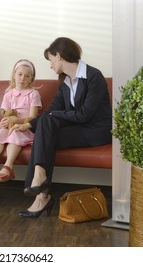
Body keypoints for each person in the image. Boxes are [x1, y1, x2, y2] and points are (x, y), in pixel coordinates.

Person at [9, 37, 112, 218]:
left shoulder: (94, 76)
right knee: (46, 126)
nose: (50, 65)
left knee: (47, 132)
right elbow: (53, 111)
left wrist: (51, 117)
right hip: (77, 128)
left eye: (50, 60)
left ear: (59, 56)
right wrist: (27, 124)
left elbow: (84, 115)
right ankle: (40, 179)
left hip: (95, 131)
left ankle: (41, 194)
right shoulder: (65, 81)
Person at [0, 59, 42, 183]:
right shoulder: (8, 94)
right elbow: (6, 115)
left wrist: (18, 121)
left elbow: (34, 117)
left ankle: (8, 167)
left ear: (31, 79)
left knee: (14, 134)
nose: (22, 78)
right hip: (9, 127)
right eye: (20, 74)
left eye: (27, 76)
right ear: (14, 75)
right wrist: (3, 123)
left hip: (25, 127)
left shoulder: (33, 94)